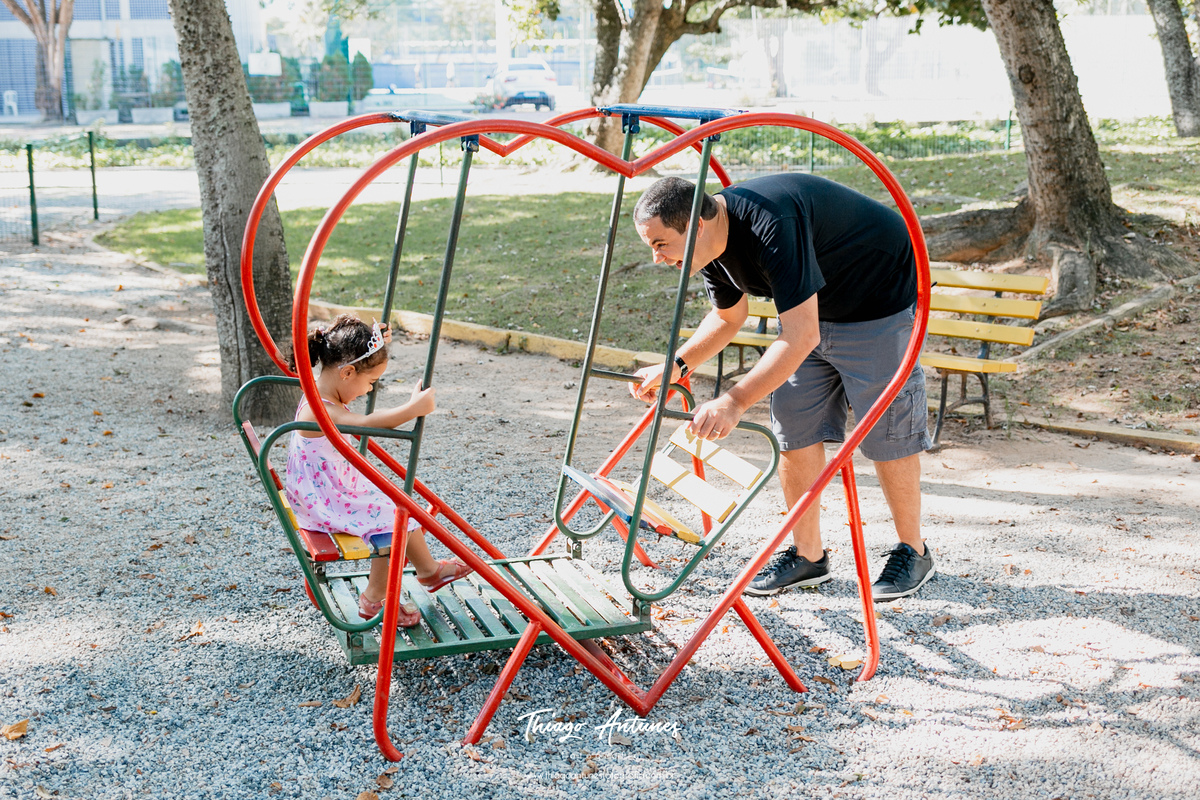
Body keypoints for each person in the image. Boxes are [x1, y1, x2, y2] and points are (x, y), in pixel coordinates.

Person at [629, 174, 933, 601]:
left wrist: (735, 401)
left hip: (876, 301)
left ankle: (914, 551)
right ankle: (809, 556)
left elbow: (800, 334)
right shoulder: (708, 246)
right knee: (794, 424)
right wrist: (676, 365)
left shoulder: (772, 224)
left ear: (695, 224)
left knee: (887, 431)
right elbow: (727, 317)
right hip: (811, 313)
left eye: (660, 244)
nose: (657, 257)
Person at [286, 315, 472, 627]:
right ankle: (374, 599)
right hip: (322, 501)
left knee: (395, 501)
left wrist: (372, 338)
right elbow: (369, 423)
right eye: (371, 381)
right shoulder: (319, 411)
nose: (369, 389)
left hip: (326, 490)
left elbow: (346, 343)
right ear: (347, 372)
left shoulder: (320, 393)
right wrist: (412, 408)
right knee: (394, 515)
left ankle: (428, 571)